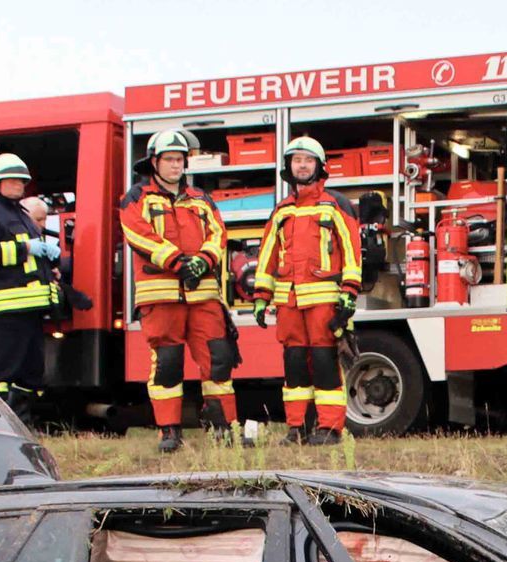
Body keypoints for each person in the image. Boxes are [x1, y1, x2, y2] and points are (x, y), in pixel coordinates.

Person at [119, 129, 237, 453]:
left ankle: (222, 427)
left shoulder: (201, 199)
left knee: (218, 361)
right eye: (169, 159)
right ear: (154, 162)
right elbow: (138, 235)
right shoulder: (137, 198)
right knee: (168, 363)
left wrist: (203, 260)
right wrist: (176, 262)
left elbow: (218, 234)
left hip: (203, 295)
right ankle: (169, 432)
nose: (175, 165)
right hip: (161, 296)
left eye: (180, 160)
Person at [251, 136, 362, 446]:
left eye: (308, 160)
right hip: (289, 302)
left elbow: (352, 251)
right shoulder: (281, 211)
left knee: (325, 363)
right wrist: (260, 297)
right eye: (297, 160)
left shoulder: (335, 205)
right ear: (289, 167)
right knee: (294, 364)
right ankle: (296, 428)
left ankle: (329, 429)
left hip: (324, 301)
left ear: (319, 166)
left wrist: (349, 292)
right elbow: (267, 255)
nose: (302, 165)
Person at [0, 154, 61, 417]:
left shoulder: (18, 212)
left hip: (31, 307)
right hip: (5, 306)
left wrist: (49, 263)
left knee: (32, 374)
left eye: (22, 180)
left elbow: (29, 260)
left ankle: (22, 422)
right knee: (1, 374)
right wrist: (27, 248)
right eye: (13, 180)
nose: (19, 184)